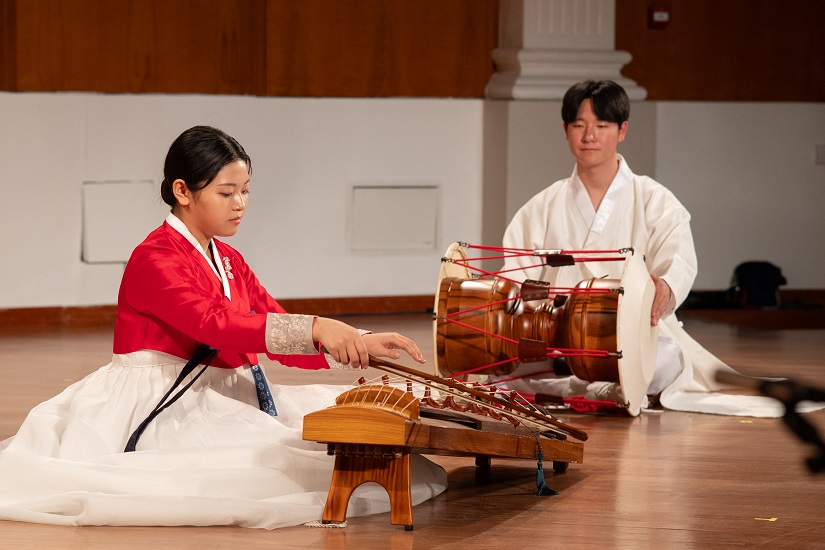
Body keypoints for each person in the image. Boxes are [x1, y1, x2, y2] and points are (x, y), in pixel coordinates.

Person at [0, 125, 446, 528]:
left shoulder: (228, 260)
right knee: (277, 465)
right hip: (166, 399)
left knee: (342, 437)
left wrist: (360, 341)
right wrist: (318, 327)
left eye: (246, 191)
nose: (241, 204)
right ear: (183, 191)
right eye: (227, 192)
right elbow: (216, 325)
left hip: (225, 391)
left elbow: (275, 327)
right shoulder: (153, 258)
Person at [494, 80, 795, 417]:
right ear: (565, 130)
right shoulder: (543, 205)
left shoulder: (654, 199)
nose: (589, 135)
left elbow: (677, 259)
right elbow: (516, 272)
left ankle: (593, 388)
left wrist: (665, 287)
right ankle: (608, 389)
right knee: (503, 364)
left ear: (622, 130)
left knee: (667, 358)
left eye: (602, 125)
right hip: (564, 337)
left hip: (634, 334)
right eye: (579, 125)